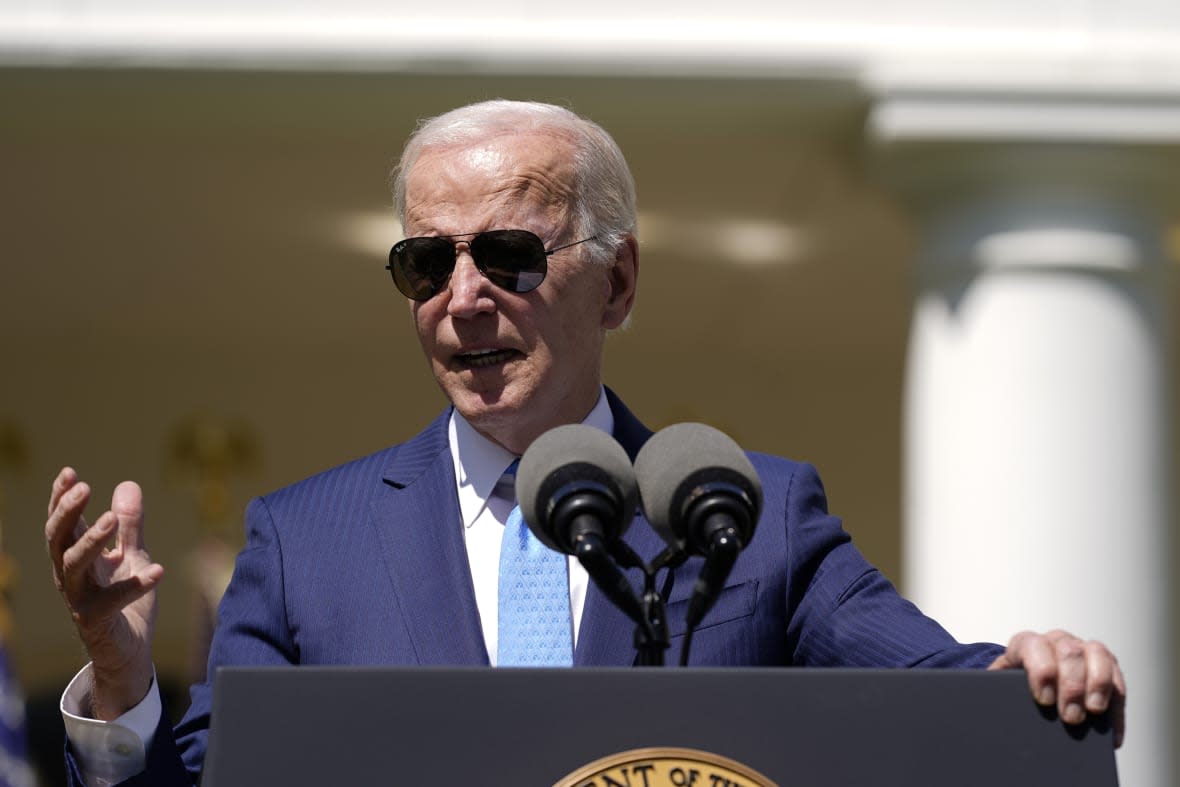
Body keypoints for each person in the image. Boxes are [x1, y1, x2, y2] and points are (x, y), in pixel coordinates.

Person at [45, 100, 1126, 786]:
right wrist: (121, 673)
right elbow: (208, 780)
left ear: (615, 282)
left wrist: (1028, 672)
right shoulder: (304, 539)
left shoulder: (750, 512)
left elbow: (943, 694)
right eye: (426, 263)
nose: (461, 299)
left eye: (508, 254)